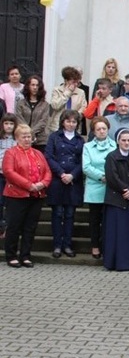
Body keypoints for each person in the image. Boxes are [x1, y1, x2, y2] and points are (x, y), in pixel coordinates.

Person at [2, 124, 52, 268]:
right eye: (23, 137)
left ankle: (25, 255)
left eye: (29, 136)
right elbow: (9, 172)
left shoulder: (38, 154)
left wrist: (43, 183)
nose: (27, 139)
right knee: (14, 227)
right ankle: (11, 255)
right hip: (16, 196)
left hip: (36, 196)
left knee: (30, 227)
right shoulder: (10, 153)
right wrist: (28, 185)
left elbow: (47, 171)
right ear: (17, 138)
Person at [45, 109, 85, 258]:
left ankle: (67, 245)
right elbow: (48, 157)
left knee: (69, 214)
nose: (71, 124)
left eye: (74, 122)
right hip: (57, 179)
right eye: (68, 121)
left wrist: (72, 175)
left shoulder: (80, 140)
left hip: (74, 181)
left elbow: (83, 161)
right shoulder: (54, 137)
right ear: (63, 122)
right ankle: (56, 245)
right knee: (57, 213)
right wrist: (61, 173)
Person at [103, 128, 129, 271]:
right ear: (118, 141)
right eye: (123, 140)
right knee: (116, 234)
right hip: (116, 201)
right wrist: (125, 190)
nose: (126, 143)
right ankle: (115, 263)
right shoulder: (111, 157)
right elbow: (112, 177)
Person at [82, 116, 116, 260]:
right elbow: (86, 166)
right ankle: (95, 246)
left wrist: (110, 177)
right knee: (95, 220)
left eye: (104, 129)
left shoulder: (115, 145)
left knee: (108, 220)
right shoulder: (87, 147)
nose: (102, 131)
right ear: (94, 132)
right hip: (95, 186)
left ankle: (107, 246)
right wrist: (102, 176)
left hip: (110, 188)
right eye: (98, 129)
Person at [48, 66, 87, 138]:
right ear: (66, 80)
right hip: (57, 126)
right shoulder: (57, 90)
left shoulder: (81, 92)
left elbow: (83, 107)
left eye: (77, 82)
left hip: (74, 127)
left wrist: (74, 118)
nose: (75, 84)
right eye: (73, 82)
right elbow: (55, 106)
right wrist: (67, 93)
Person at [15, 75, 50, 153]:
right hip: (23, 138)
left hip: (40, 140)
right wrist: (27, 132)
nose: (35, 87)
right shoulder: (21, 103)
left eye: (37, 85)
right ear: (28, 86)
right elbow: (19, 118)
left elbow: (43, 121)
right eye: (33, 85)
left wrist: (31, 132)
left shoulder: (45, 104)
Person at [0, 113, 18, 236]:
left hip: (13, 176)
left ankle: (9, 227)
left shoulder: (17, 139)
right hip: (0, 174)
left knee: (11, 202)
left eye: (11, 124)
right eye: (6, 123)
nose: (9, 126)